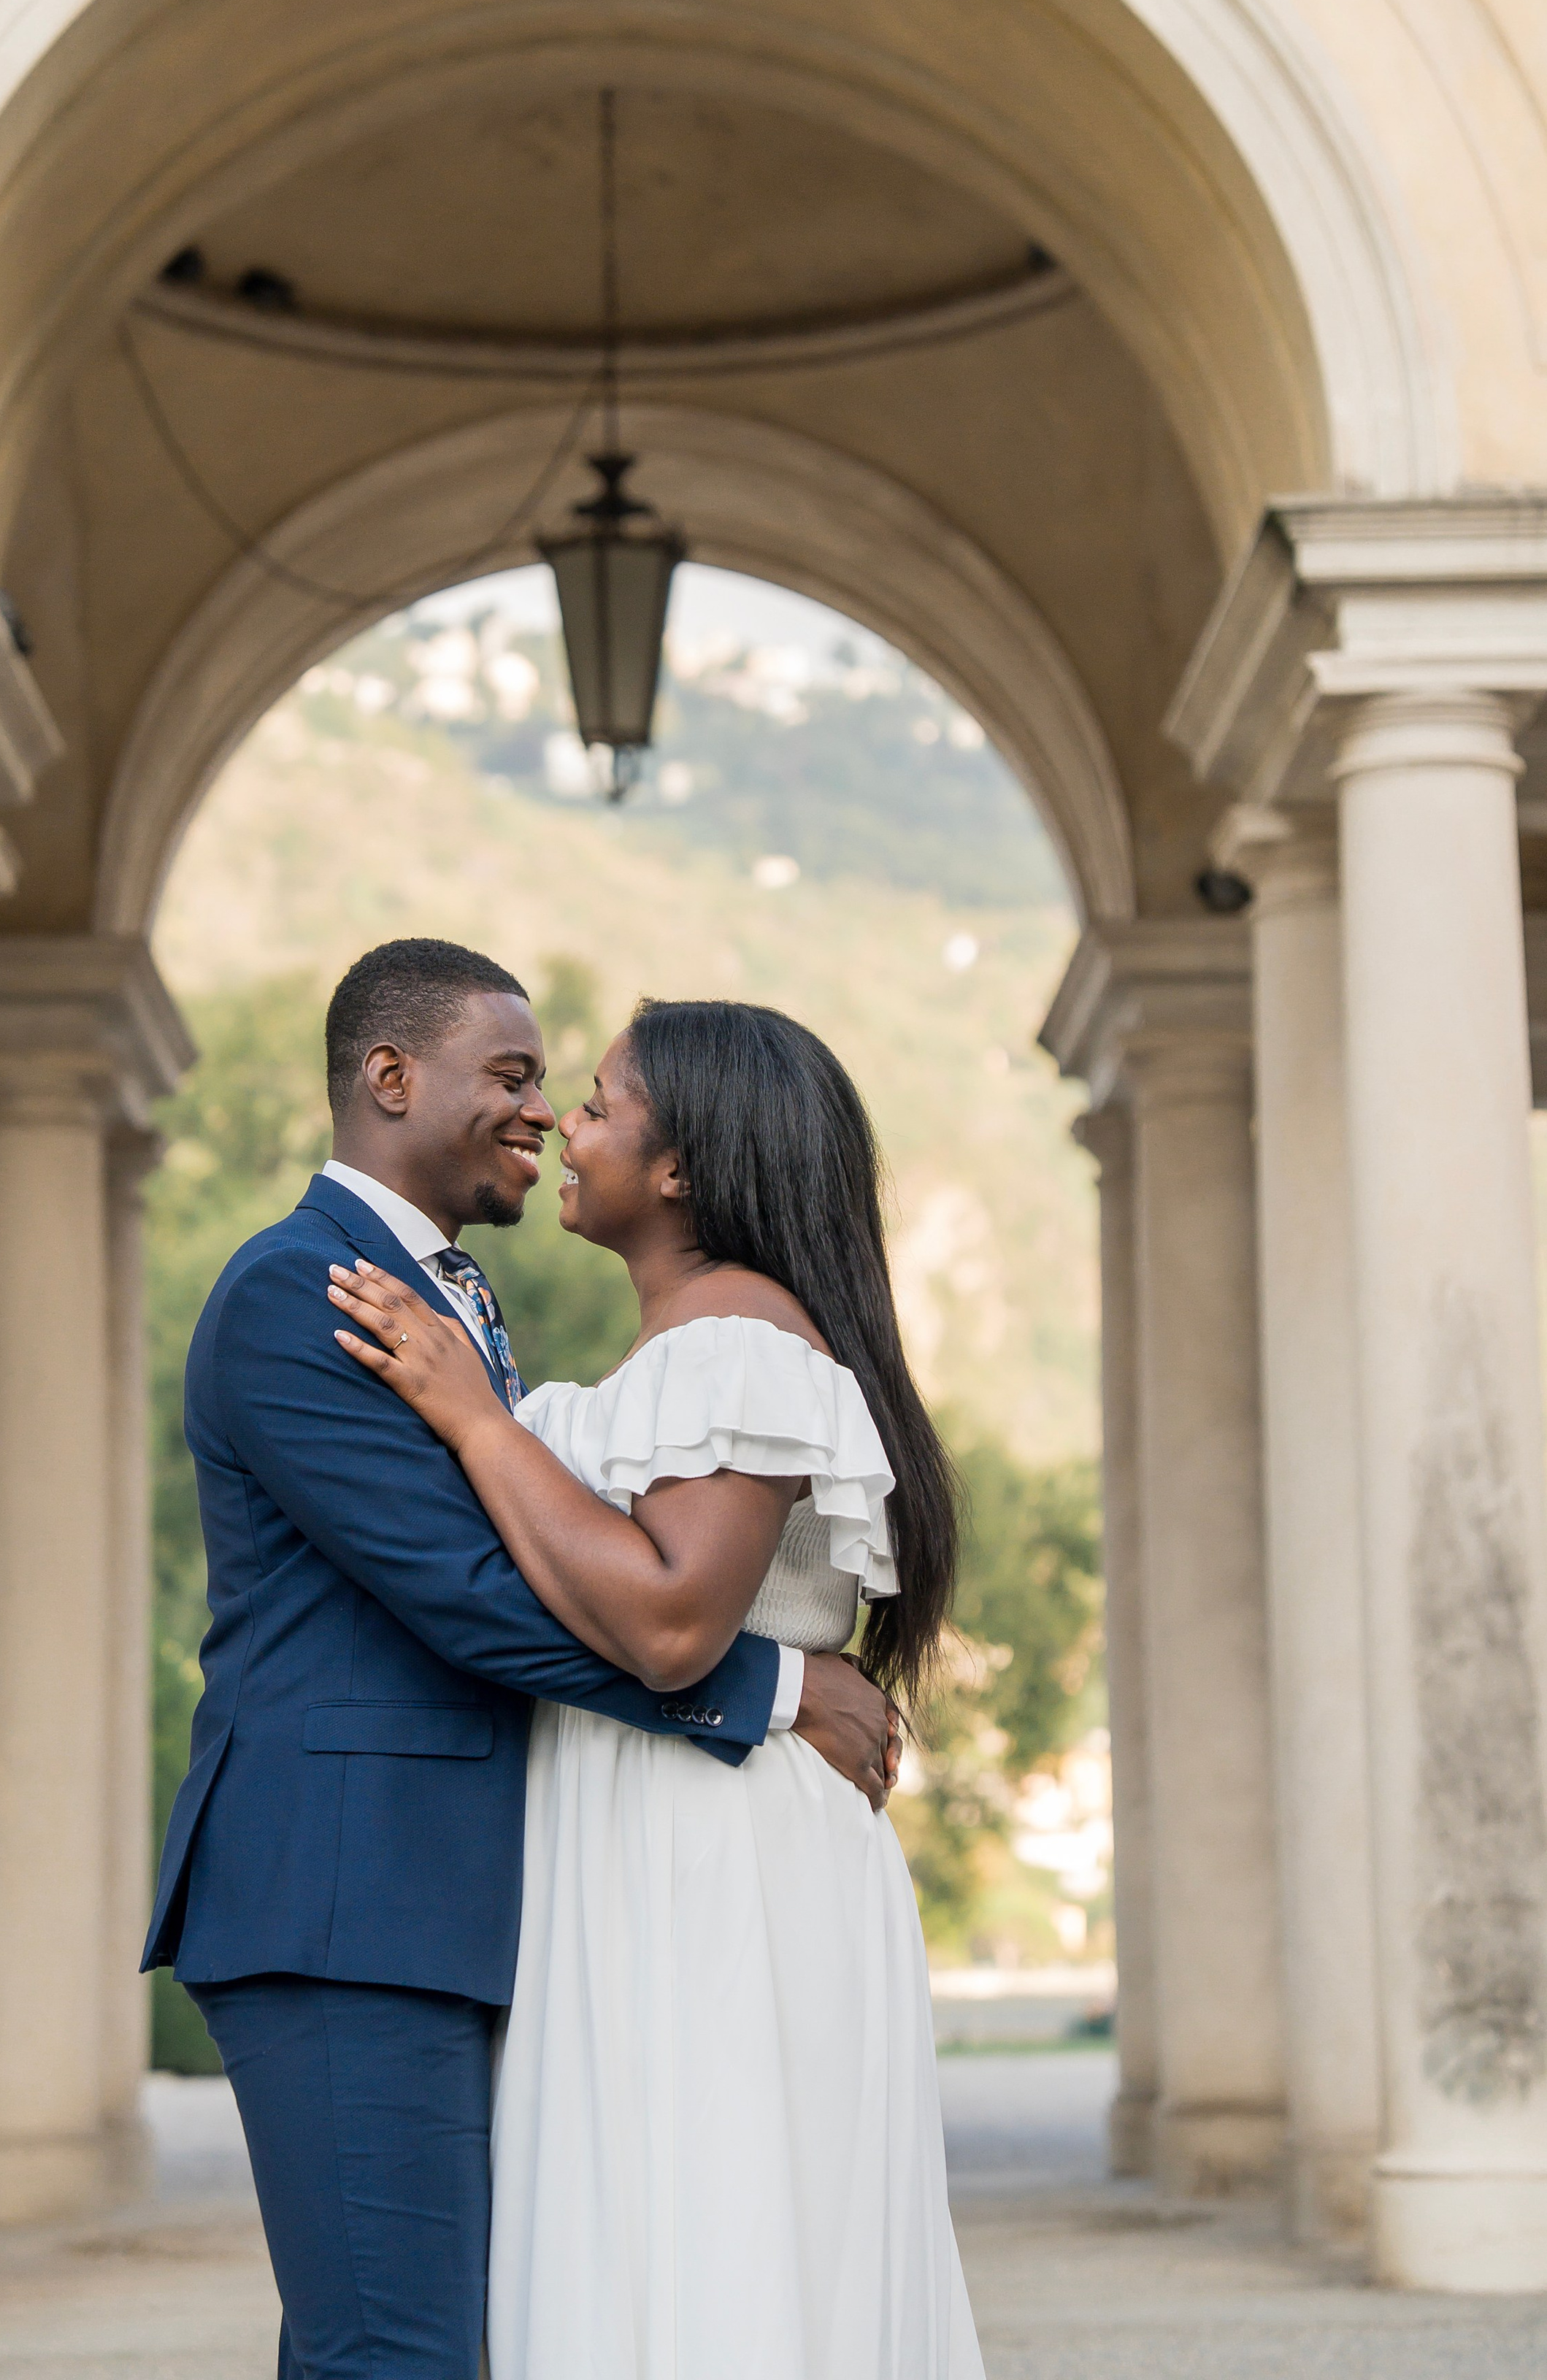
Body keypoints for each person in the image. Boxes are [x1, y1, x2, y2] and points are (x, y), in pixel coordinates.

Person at [142, 940, 898, 2380]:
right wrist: (771, 1686)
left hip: (460, 1900)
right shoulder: (304, 1293)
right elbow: (469, 1594)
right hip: (346, 1901)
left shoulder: (445, 1306)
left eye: (561, 1087)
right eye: (509, 1076)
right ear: (388, 1076)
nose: (542, 1113)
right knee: (395, 2352)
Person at [330, 995, 987, 2380]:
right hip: (660, 1836)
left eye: (607, 1103)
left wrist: (470, 1420)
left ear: (683, 1164)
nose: (571, 1121)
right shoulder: (686, 1346)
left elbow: (677, 1621)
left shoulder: (740, 1340)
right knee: (666, 2247)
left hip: (717, 1861)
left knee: (716, 2248)